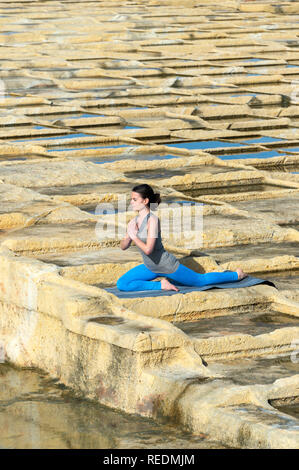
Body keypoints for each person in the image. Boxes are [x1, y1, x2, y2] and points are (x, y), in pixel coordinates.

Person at [116, 184, 248, 292]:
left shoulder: (153, 221)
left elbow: (149, 249)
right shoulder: (134, 221)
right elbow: (123, 247)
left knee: (199, 281)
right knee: (122, 284)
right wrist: (128, 235)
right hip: (150, 267)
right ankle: (161, 285)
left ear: (145, 201)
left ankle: (236, 275)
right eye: (131, 199)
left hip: (166, 265)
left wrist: (134, 236)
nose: (131, 202)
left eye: (134, 199)